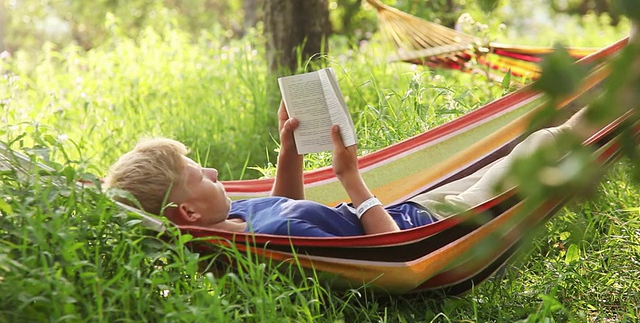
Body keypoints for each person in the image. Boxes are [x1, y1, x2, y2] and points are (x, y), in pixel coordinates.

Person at [104, 101, 592, 237]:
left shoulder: (236, 221)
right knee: (542, 144)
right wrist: (351, 179)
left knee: (512, 155)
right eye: (198, 176)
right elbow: (387, 250)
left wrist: (288, 149)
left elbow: (285, 201)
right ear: (188, 212)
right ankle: (620, 106)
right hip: (444, 223)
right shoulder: (283, 241)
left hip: (415, 207)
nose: (212, 171)